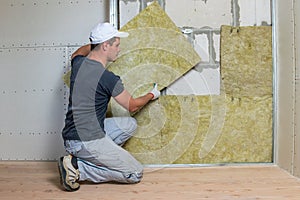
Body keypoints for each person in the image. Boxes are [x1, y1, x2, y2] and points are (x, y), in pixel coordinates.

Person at [58, 22, 160, 192]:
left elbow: (78, 52)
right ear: (106, 45)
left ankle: (95, 156)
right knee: (134, 173)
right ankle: (77, 168)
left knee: (129, 125)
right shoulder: (107, 78)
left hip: (73, 136)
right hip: (85, 141)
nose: (119, 49)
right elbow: (132, 106)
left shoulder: (79, 64)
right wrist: (152, 94)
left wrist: (94, 44)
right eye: (116, 45)